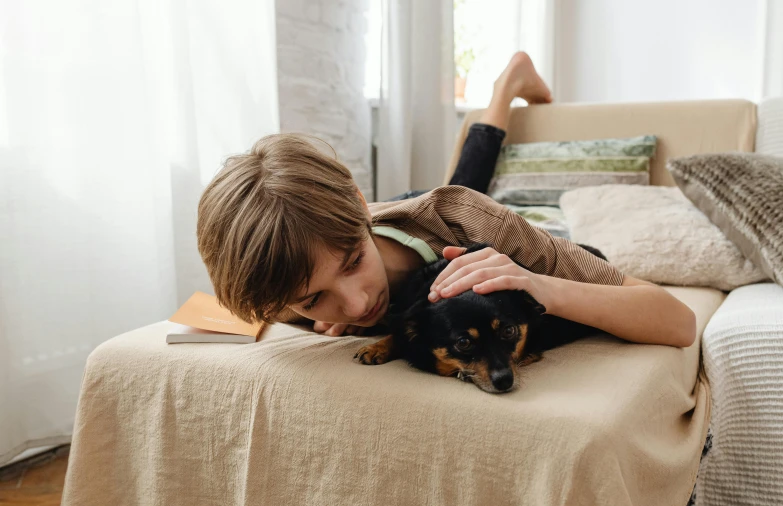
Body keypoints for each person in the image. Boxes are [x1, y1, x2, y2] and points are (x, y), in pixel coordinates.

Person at [196, 52, 696, 347]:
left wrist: (535, 283)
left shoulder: (461, 218)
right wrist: (294, 313)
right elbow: (216, 310)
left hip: (452, 223)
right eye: (313, 298)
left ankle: (507, 85)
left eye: (352, 263)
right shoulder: (286, 281)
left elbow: (678, 320)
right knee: (460, 189)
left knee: (465, 196)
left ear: (356, 200)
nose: (357, 303)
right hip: (410, 220)